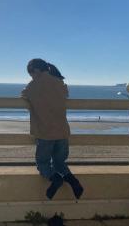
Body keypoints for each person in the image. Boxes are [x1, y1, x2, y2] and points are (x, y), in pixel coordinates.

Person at [21, 58, 83, 200]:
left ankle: (55, 179)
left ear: (36, 71)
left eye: (31, 74)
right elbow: (65, 94)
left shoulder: (34, 85)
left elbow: (24, 94)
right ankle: (72, 180)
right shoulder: (59, 83)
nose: (31, 77)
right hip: (62, 133)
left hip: (45, 134)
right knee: (60, 163)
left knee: (43, 163)